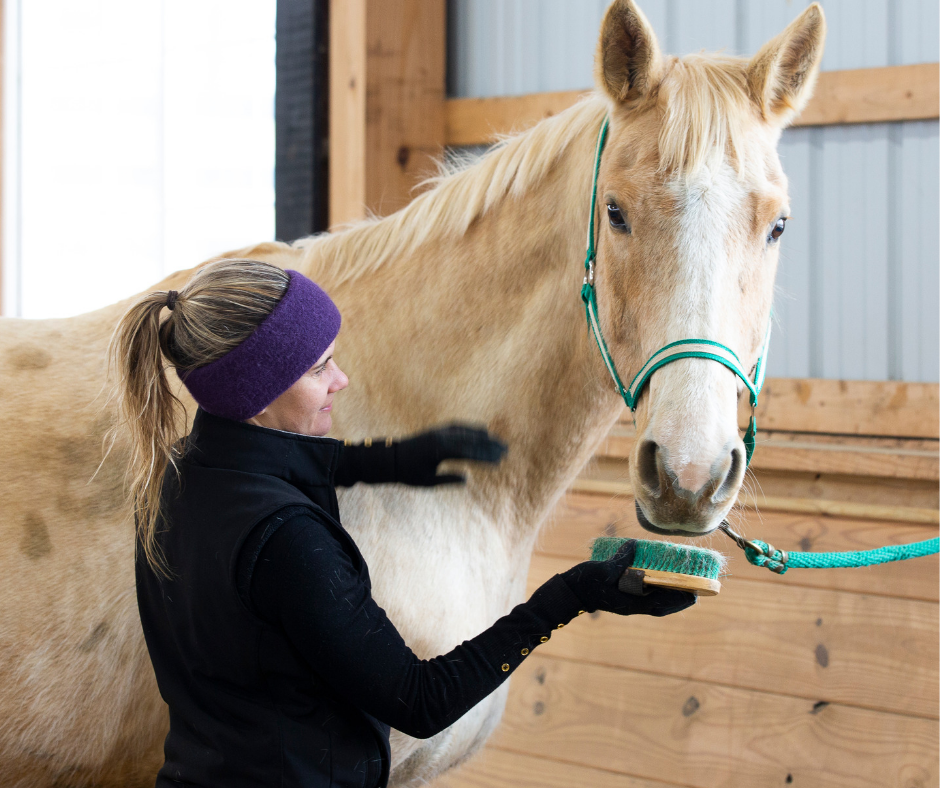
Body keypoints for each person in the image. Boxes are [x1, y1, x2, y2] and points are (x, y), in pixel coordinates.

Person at [109, 258, 695, 788]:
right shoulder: (288, 541)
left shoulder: (175, 475)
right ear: (256, 394)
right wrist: (567, 596)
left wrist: (393, 459)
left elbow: (267, 467)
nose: (340, 380)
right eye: (319, 369)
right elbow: (420, 699)